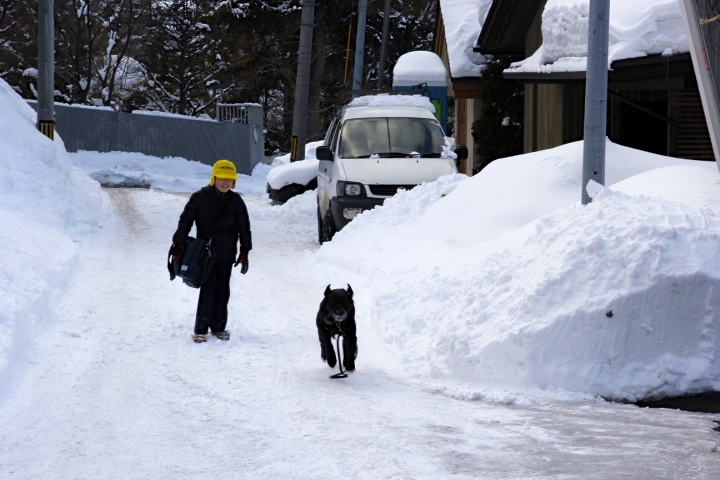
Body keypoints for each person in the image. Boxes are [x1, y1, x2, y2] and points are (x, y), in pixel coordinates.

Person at [172, 159, 252, 343]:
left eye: (229, 179)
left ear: (234, 182)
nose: (225, 182)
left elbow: (244, 228)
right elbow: (185, 221)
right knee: (207, 288)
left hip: (226, 252)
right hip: (205, 254)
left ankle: (219, 328)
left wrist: (245, 251)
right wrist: (180, 243)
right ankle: (200, 329)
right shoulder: (199, 197)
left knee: (223, 288)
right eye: (222, 178)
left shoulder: (236, 201)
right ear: (213, 178)